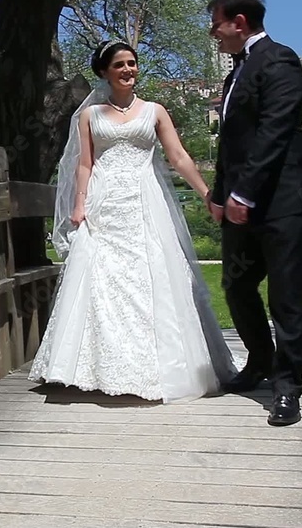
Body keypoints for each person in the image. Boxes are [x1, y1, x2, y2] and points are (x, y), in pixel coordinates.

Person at [27, 39, 244, 404]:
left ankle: (161, 366)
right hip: (104, 203)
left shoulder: (154, 111)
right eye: (120, 65)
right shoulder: (89, 116)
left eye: (132, 63)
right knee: (103, 281)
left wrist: (207, 192)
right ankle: (95, 368)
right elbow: (84, 163)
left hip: (146, 203)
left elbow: (178, 155)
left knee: (155, 276)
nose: (128, 70)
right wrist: (78, 205)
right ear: (104, 72)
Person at [206, 0, 302, 426]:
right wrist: (220, 194)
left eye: (216, 22)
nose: (213, 31)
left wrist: (243, 194)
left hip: (282, 202)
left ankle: (288, 387)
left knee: (287, 295)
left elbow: (276, 131)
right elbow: (232, 144)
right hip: (240, 205)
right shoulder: (235, 72)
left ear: (239, 22)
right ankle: (260, 363)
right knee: (237, 286)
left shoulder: (281, 61)